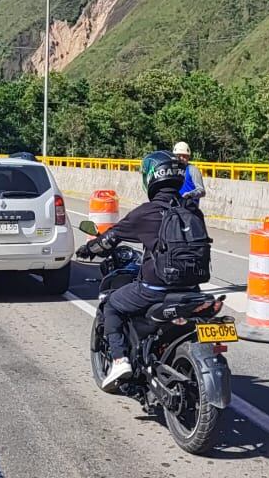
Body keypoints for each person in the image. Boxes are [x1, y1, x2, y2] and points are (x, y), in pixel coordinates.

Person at [77, 151, 210, 388]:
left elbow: (109, 239)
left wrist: (88, 249)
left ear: (150, 178)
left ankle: (119, 360)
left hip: (155, 288)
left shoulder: (146, 212)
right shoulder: (192, 211)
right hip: (192, 287)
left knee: (112, 305)